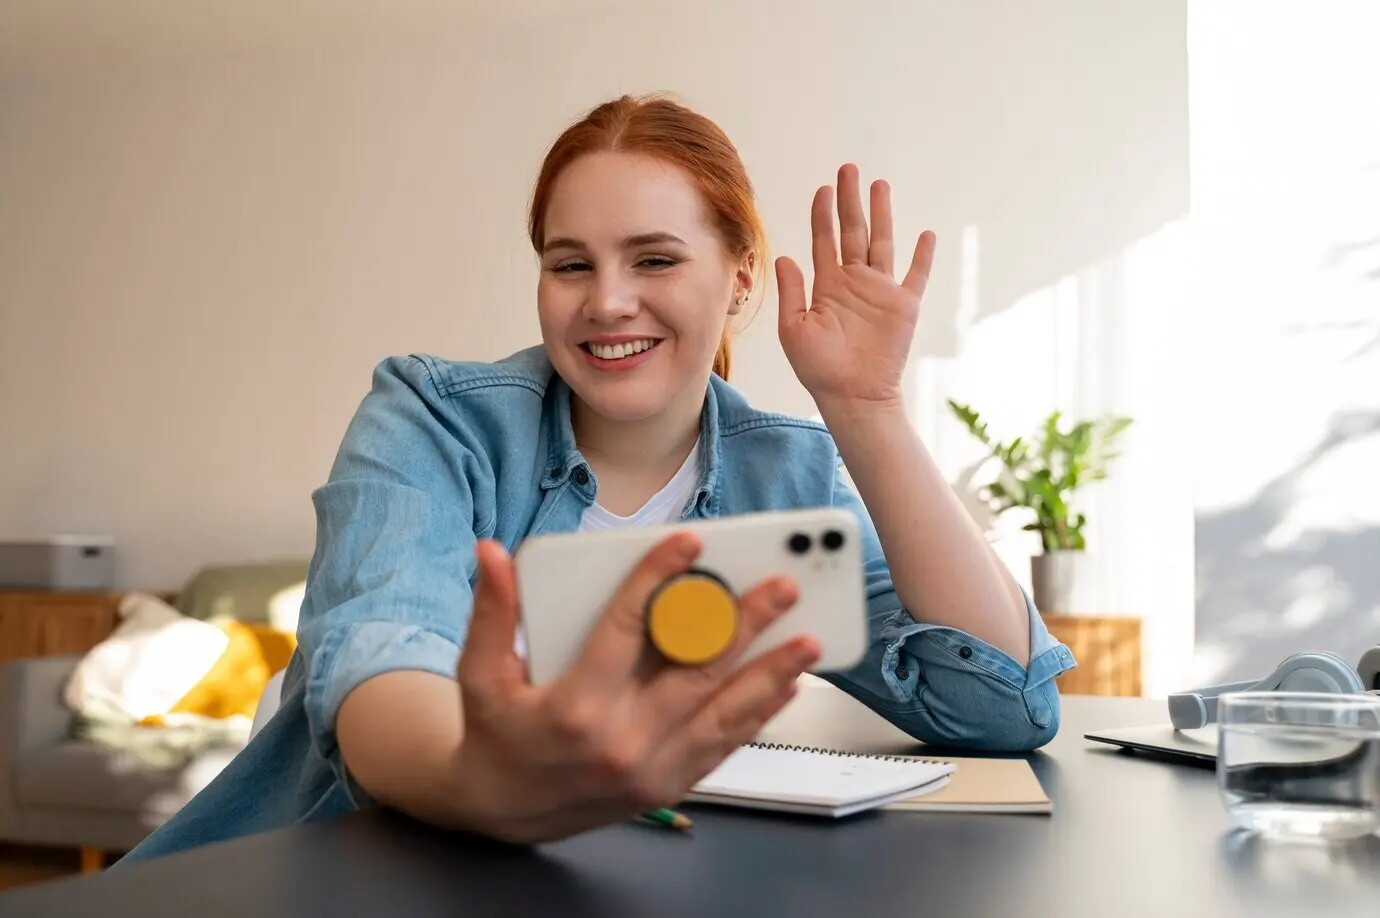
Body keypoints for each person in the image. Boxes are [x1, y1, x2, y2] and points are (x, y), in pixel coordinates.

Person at [118, 93, 1075, 861]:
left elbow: (1003, 707)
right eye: (570, 263)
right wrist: (490, 775)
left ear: (740, 280)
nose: (607, 300)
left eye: (655, 257)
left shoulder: (788, 473)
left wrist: (869, 410)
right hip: (345, 875)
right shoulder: (433, 418)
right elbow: (376, 659)